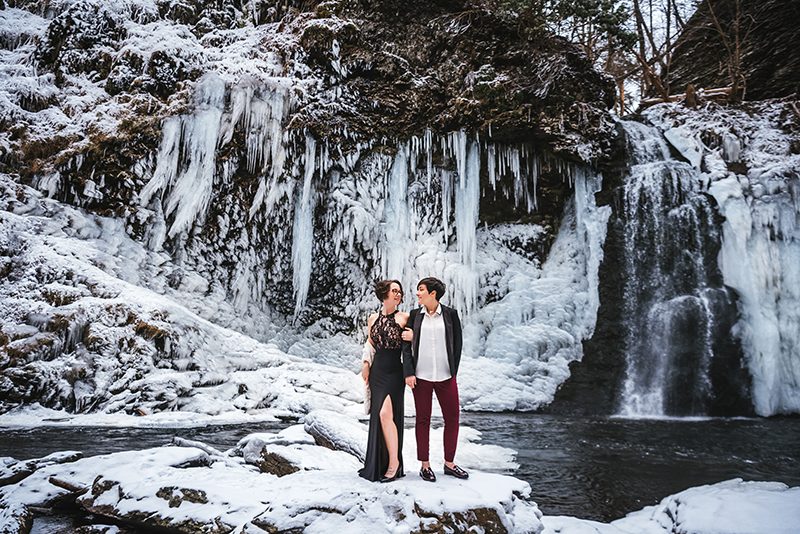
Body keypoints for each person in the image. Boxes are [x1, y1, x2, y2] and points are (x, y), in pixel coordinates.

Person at [402, 277, 469, 482]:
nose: (417, 293)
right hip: (420, 377)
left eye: (421, 289)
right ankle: (425, 465)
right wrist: (408, 372)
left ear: (433, 293)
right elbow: (406, 347)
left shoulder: (451, 314)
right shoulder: (415, 315)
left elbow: (457, 344)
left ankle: (449, 464)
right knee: (422, 420)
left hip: (446, 376)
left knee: (453, 418)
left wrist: (453, 371)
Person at [358, 279, 410, 483]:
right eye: (394, 290)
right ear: (384, 294)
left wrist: (413, 336)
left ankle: (394, 463)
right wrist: (365, 363)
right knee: (379, 416)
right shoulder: (372, 319)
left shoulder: (405, 318)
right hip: (377, 372)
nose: (398, 294)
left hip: (395, 372)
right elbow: (370, 343)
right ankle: (379, 464)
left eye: (399, 291)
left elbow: (413, 344)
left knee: (386, 414)